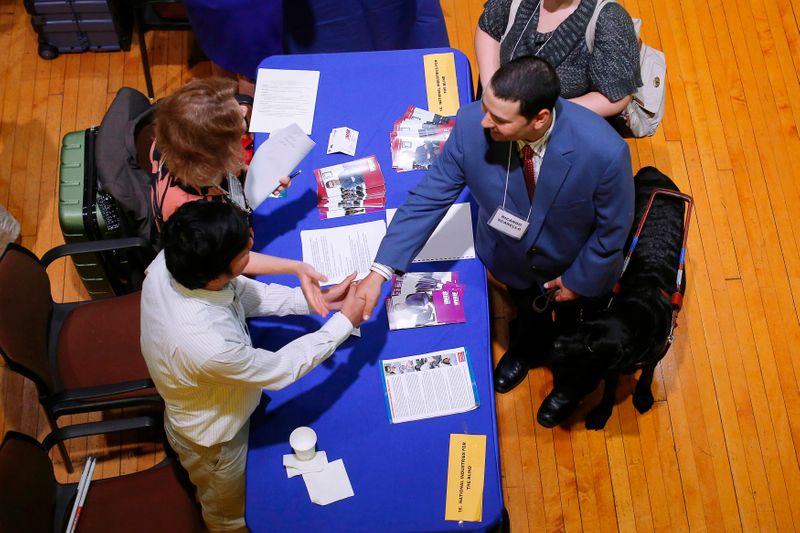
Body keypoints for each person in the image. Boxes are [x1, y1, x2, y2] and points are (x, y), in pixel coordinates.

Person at [356, 56, 634, 426]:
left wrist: (578, 282)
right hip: (509, 259)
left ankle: (570, 386)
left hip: (571, 271)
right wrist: (379, 272)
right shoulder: (473, 123)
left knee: (577, 337)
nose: (485, 122)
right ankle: (527, 348)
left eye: (500, 119)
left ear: (540, 119)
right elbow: (429, 198)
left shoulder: (605, 152)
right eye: (487, 108)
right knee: (527, 317)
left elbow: (612, 231)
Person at [140, 200, 366, 532]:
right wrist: (344, 322)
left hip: (225, 395)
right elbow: (279, 369)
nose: (251, 247)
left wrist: (313, 300)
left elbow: (238, 290)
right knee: (228, 514)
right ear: (218, 272)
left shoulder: (176, 259)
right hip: (215, 439)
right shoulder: (207, 344)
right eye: (244, 250)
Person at [150, 77, 331, 315]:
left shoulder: (180, 141)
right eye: (238, 138)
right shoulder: (195, 217)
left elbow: (228, 173)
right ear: (218, 156)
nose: (244, 110)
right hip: (224, 256)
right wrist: (296, 267)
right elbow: (232, 259)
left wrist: (256, 178)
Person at [475, 0, 641, 118]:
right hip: (496, 112)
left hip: (561, 128)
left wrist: (547, 114)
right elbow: (489, 28)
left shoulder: (610, 18)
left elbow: (616, 96)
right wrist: (492, 89)